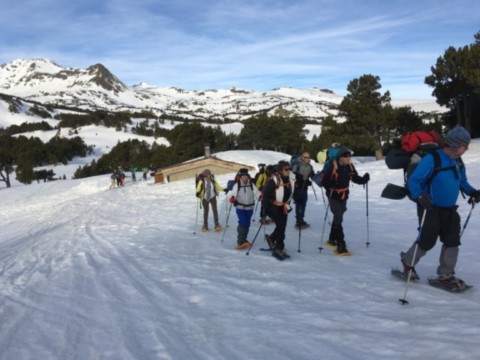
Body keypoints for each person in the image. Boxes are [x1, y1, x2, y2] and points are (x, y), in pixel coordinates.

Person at [399, 126, 480, 289]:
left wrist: (472, 191)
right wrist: (420, 196)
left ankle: (446, 274)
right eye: (465, 145)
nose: (467, 148)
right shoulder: (432, 159)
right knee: (426, 241)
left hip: (450, 209)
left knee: (452, 241)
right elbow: (414, 181)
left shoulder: (457, 160)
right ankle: (408, 262)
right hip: (430, 208)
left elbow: (461, 181)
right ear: (456, 145)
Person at [321, 145, 370, 255]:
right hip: (333, 196)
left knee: (339, 217)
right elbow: (324, 182)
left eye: (349, 156)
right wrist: (331, 184)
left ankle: (332, 239)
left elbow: (355, 178)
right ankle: (340, 244)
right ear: (340, 157)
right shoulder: (332, 168)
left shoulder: (350, 167)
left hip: (344, 195)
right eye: (346, 156)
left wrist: (364, 179)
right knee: (338, 216)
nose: (348, 158)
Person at [263, 160, 296, 260]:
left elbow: (292, 190)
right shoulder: (274, 180)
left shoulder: (290, 178)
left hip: (284, 207)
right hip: (274, 207)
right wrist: (266, 208)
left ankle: (271, 238)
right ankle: (279, 248)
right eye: (286, 169)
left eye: (289, 169)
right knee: (281, 227)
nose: (288, 171)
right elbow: (266, 195)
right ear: (280, 170)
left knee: (282, 226)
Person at [229, 168, 259, 248]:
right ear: (240, 176)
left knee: (247, 224)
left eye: (246, 174)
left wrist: (260, 196)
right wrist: (233, 199)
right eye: (243, 175)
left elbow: (257, 192)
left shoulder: (251, 184)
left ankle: (244, 240)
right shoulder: (237, 185)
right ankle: (240, 241)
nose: (245, 176)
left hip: (250, 208)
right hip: (240, 207)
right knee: (243, 223)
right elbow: (232, 195)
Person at [292, 152, 315, 229]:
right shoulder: (297, 165)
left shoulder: (310, 166)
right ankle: (299, 221)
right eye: (305, 157)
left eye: (308, 157)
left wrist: (317, 178)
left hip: (305, 188)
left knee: (304, 204)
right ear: (302, 157)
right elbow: (292, 176)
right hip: (297, 188)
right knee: (299, 204)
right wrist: (299, 180)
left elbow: (312, 175)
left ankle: (301, 219)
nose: (307, 159)